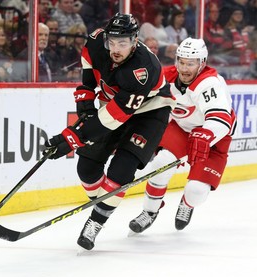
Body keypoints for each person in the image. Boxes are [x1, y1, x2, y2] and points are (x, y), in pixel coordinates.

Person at [43, 13, 176, 251]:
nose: (115, 48)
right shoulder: (95, 40)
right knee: (86, 168)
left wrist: (72, 138)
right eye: (111, 42)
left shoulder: (144, 68)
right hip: (113, 105)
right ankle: (103, 203)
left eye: (122, 43)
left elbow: (115, 117)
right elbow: (87, 67)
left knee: (121, 169)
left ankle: (96, 221)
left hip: (149, 113)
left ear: (135, 41)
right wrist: (84, 97)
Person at [129, 38, 237, 234]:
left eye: (191, 63)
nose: (184, 68)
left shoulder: (210, 82)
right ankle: (150, 211)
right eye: (181, 61)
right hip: (182, 128)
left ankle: (187, 204)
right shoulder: (167, 76)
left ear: (202, 63)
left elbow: (221, 119)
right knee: (160, 164)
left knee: (196, 190)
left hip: (215, 135)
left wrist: (205, 136)